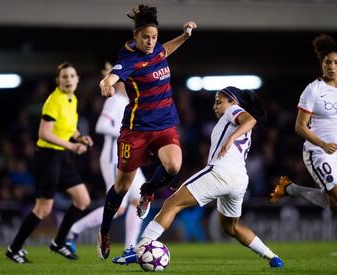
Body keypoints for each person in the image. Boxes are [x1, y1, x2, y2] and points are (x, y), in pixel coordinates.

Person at [137, 87, 284, 268]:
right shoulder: (228, 121)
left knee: (171, 204)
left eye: (218, 101)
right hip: (238, 180)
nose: (214, 106)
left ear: (233, 102)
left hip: (221, 173)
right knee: (231, 228)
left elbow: (250, 119)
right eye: (214, 102)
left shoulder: (233, 111)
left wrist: (231, 139)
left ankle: (141, 247)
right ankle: (272, 257)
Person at [97, 4, 197, 260]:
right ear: (135, 34)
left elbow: (165, 51)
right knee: (120, 189)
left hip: (164, 125)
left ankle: (148, 192)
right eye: (145, 37)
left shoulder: (156, 50)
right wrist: (106, 84)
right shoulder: (129, 58)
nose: (151, 42)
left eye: (154, 37)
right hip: (136, 131)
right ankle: (105, 232)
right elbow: (113, 76)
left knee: (174, 166)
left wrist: (184, 37)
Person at [269, 34, 337, 264]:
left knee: (336, 205)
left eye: (335, 62)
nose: (331, 66)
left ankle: (290, 188)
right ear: (321, 64)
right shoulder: (313, 90)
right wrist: (322, 144)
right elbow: (299, 127)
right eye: (327, 62)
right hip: (318, 152)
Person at [5, 62, 93, 263]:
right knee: (43, 208)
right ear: (58, 81)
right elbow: (44, 133)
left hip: (61, 156)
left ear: (77, 79)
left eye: (72, 76)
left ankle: (59, 243)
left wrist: (80, 138)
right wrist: (72, 147)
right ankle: (14, 249)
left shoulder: (72, 99)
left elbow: (69, 127)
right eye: (64, 77)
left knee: (82, 200)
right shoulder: (54, 101)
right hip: (48, 156)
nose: (68, 79)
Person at [66, 62, 145, 265]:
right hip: (114, 156)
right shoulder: (116, 100)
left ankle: (129, 249)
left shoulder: (128, 102)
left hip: (127, 155)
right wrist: (126, 135)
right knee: (119, 208)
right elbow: (101, 126)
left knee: (139, 200)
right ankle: (72, 231)